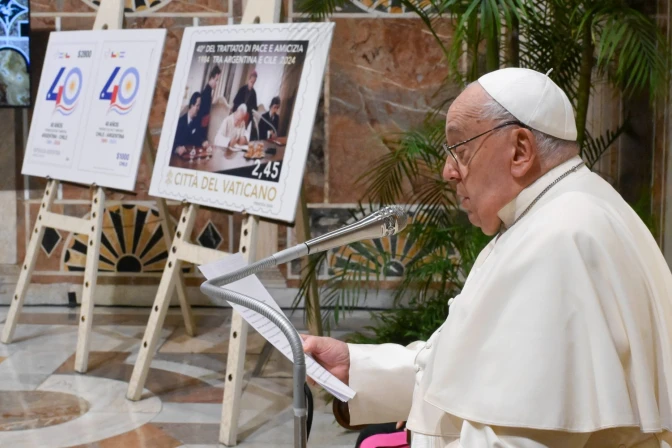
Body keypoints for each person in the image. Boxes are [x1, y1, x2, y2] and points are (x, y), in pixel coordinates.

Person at [302, 68, 672, 447]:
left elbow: (521, 437)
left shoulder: (559, 239)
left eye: (459, 151)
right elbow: (461, 368)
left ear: (520, 151)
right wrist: (355, 367)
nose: (448, 172)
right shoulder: (561, 208)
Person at [196, 65, 222, 143]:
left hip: (203, 123)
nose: (216, 83)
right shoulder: (206, 92)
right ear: (216, 76)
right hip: (201, 125)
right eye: (217, 80)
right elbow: (203, 114)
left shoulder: (208, 90)